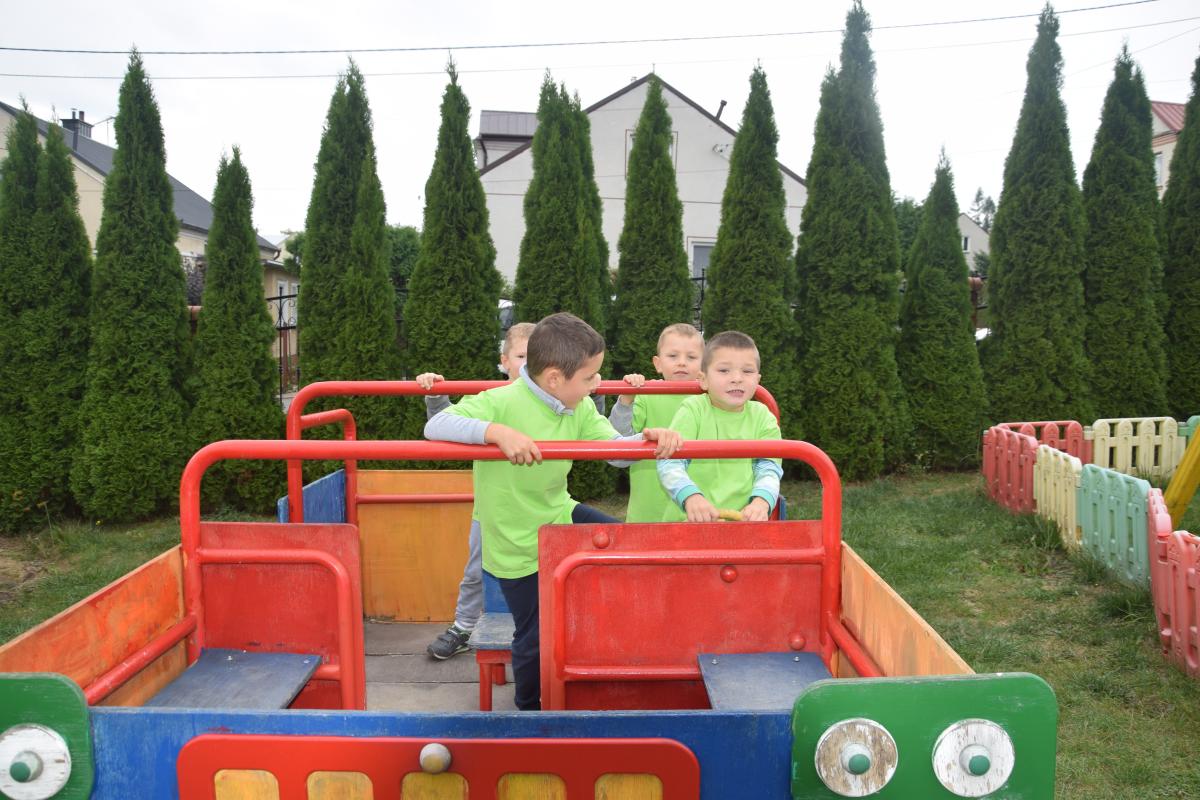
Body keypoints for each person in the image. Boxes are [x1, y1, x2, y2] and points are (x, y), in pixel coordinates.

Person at [424, 312, 682, 710]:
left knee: (628, 543)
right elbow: (438, 423)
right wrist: (496, 433)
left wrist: (647, 440)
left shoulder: (577, 407)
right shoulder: (502, 401)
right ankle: (528, 709)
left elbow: (616, 453)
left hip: (559, 514)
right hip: (516, 544)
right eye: (590, 377)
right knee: (533, 635)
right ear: (554, 379)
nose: (597, 384)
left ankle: (603, 638)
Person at [420, 322, 535, 661]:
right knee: (476, 571)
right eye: (521, 357)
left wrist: (593, 389)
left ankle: (550, 624)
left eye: (536, 357)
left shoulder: (555, 401)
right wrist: (436, 394)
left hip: (541, 508)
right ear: (504, 362)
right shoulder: (488, 398)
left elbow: (593, 428)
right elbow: (445, 425)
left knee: (546, 570)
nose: (529, 365)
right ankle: (464, 626)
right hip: (492, 509)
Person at [656, 331, 783, 523]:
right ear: (703, 379)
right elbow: (670, 461)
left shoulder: (763, 416)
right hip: (688, 522)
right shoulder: (693, 409)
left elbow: (769, 467)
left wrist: (761, 502)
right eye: (724, 370)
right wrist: (690, 497)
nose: (737, 378)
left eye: (747, 371)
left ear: (757, 380)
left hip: (742, 522)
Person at [609, 323, 704, 522]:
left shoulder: (711, 398)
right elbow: (618, 444)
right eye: (673, 356)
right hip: (648, 511)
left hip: (698, 510)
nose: (682, 363)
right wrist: (626, 398)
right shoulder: (646, 393)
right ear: (658, 363)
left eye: (691, 357)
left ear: (704, 364)